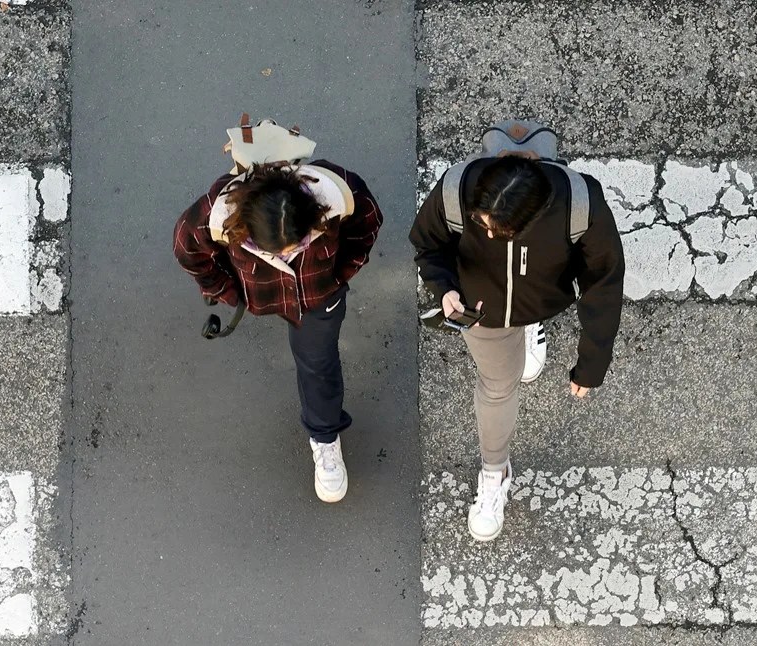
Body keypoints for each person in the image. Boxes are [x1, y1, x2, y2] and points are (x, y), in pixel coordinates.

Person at [409, 154, 625, 541]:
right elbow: (428, 246)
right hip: (482, 311)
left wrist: (592, 364)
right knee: (497, 386)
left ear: (536, 217)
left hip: (539, 295)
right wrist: (444, 289)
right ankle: (495, 471)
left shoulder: (580, 206)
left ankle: (528, 321)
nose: (488, 235)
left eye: (501, 231)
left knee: (526, 306)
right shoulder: (456, 192)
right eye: (481, 225)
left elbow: (603, 285)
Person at [174, 161, 382, 503]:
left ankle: (325, 437)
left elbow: (367, 222)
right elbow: (187, 248)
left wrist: (340, 274)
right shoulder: (218, 213)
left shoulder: (338, 191)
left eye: (296, 246)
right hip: (264, 294)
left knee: (319, 364)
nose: (288, 256)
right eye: (278, 252)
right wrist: (228, 291)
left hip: (317, 296)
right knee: (318, 362)